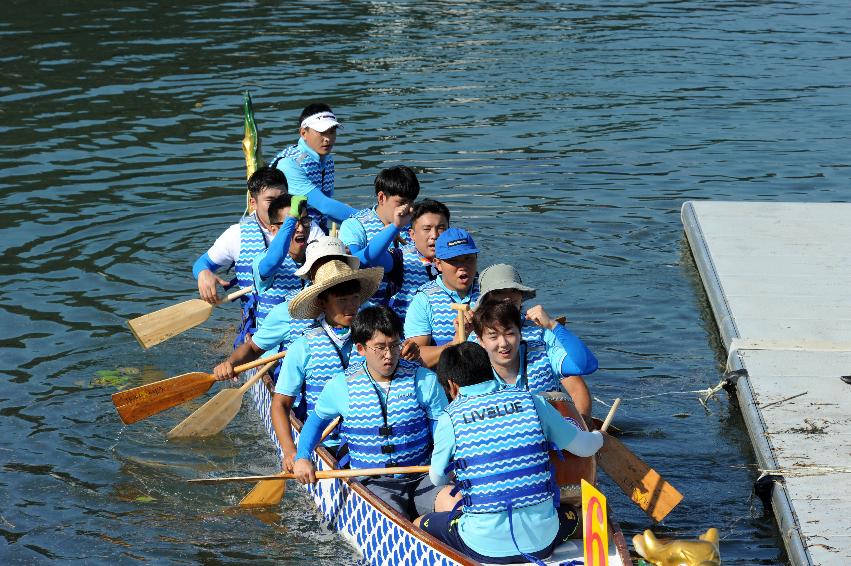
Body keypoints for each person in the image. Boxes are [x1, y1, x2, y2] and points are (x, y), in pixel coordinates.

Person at [415, 342, 604, 564]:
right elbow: (584, 447)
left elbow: (437, 478)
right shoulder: (533, 401)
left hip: (481, 546)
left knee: (420, 522)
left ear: (452, 385)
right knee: (571, 513)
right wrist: (600, 437)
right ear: (491, 370)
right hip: (543, 542)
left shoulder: (450, 417)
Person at [293, 306, 449, 520]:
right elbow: (316, 423)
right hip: (373, 483)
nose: (389, 355)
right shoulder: (341, 386)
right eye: (380, 347)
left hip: (424, 476)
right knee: (397, 518)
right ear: (361, 349)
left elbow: (442, 432)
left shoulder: (424, 380)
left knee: (453, 503)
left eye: (395, 345)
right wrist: (302, 457)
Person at [192, 166, 321, 342]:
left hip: (304, 322)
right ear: (253, 203)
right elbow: (202, 263)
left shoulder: (307, 228)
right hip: (259, 328)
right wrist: (203, 273)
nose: (278, 204)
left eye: (283, 198)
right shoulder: (236, 234)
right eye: (270, 200)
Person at [472, 298, 597, 422]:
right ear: (481, 341)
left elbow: (586, 365)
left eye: (510, 334)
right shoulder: (474, 369)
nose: (503, 343)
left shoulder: (542, 353)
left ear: (520, 334)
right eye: (493, 336)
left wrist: (553, 325)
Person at [269, 103, 356, 233]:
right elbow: (325, 206)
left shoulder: (328, 161)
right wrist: (371, 219)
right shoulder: (290, 164)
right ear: (303, 133)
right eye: (321, 132)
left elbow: (326, 210)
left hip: (313, 229)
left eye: (332, 132)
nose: (327, 139)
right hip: (286, 232)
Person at [358, 198, 450, 321]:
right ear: (412, 235)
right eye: (427, 229)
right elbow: (370, 258)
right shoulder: (399, 259)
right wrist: (396, 226)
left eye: (441, 228)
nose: (434, 236)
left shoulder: (459, 259)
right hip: (403, 335)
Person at [339, 166, 420, 303]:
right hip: (372, 310)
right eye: (402, 203)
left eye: (411, 202)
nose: (409, 209)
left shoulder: (415, 224)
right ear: (382, 197)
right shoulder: (354, 225)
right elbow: (355, 265)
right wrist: (393, 229)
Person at [403, 227, 480, 367]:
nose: (463, 266)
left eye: (468, 258)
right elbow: (415, 356)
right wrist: (454, 344)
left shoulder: (488, 291)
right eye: (454, 260)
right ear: (438, 264)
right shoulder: (424, 299)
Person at [249, 193, 312, 325]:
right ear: (274, 230)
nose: (300, 228)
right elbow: (274, 260)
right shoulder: (262, 261)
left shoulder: (316, 256)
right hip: (272, 344)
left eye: (305, 221)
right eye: (294, 223)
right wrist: (292, 217)